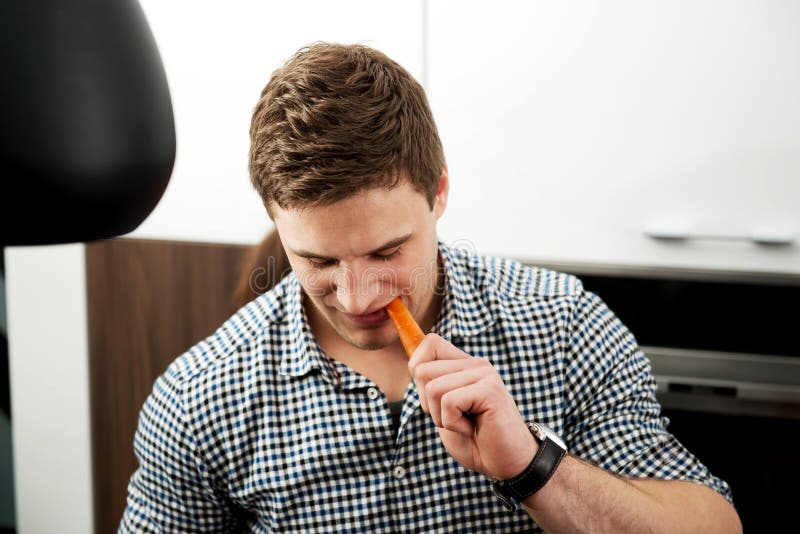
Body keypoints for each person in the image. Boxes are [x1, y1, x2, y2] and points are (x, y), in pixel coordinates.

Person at [120, 42, 741, 533]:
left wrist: (531, 467)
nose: (360, 298)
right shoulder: (198, 398)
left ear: (438, 192)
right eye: (319, 261)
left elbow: (713, 528)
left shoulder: (566, 327)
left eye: (387, 251)